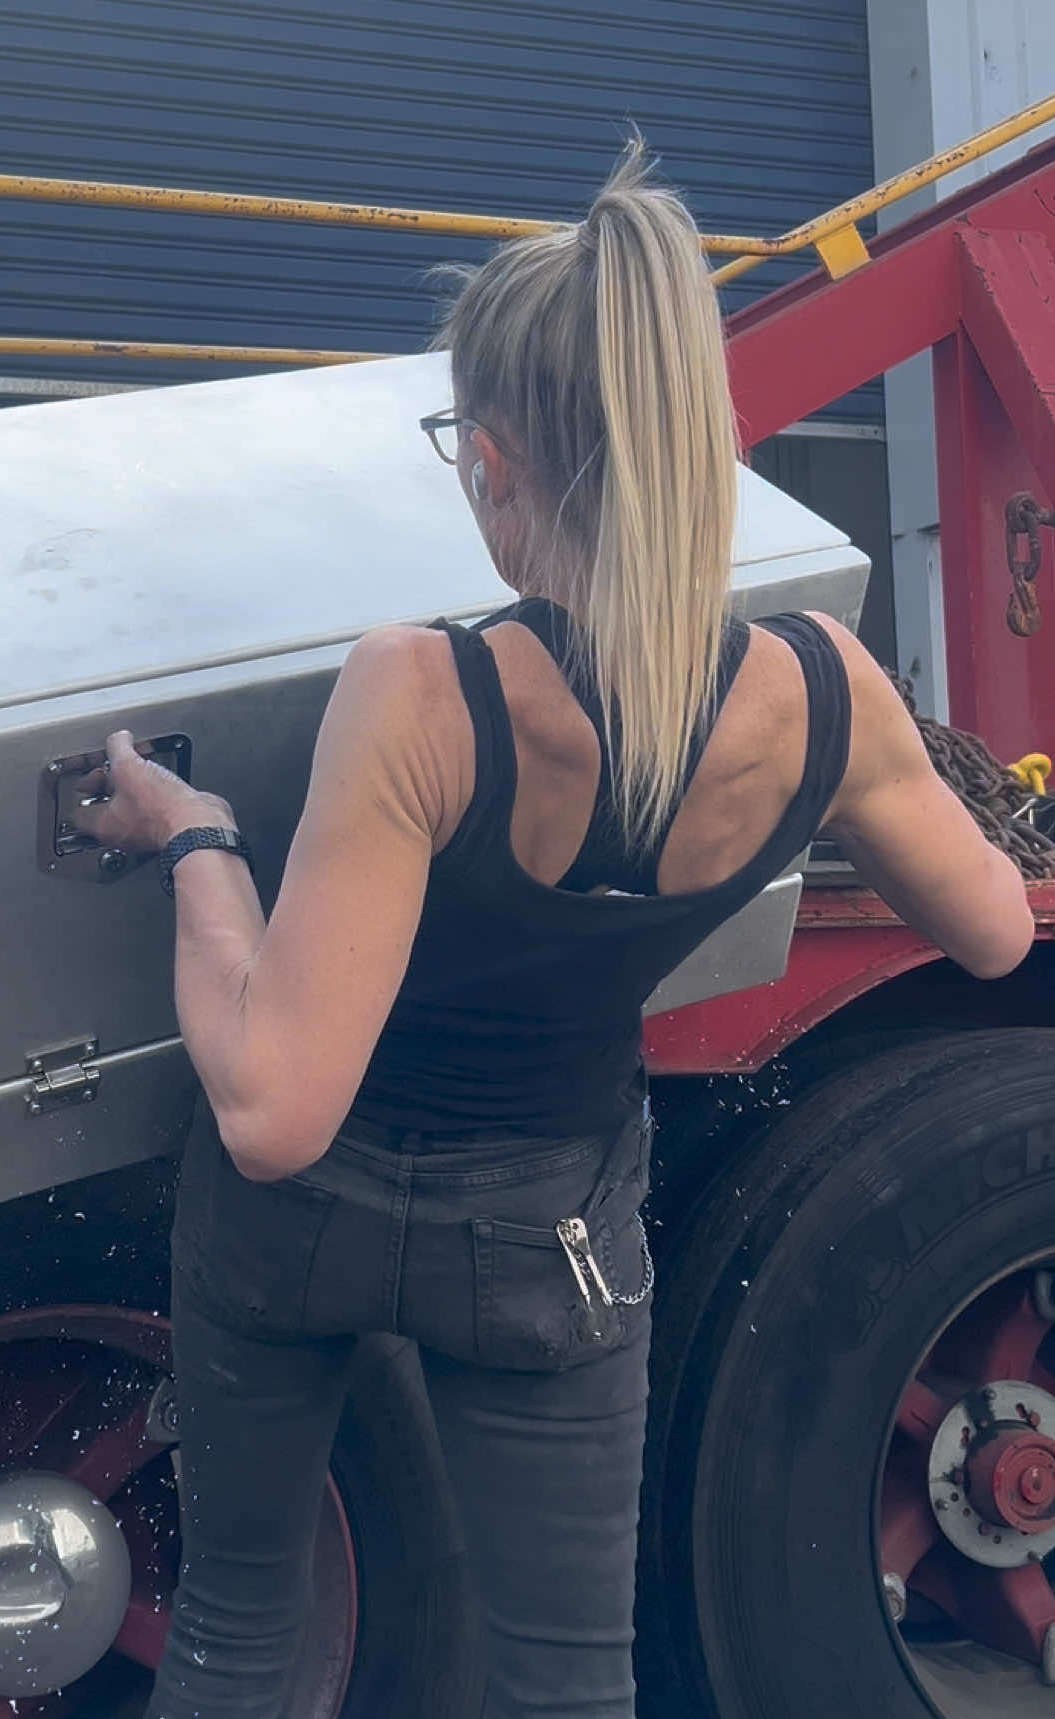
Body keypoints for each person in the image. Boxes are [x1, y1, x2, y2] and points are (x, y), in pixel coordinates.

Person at [74, 141, 1034, 1719]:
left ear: (502, 458)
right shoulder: (824, 691)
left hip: (298, 1226)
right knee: (564, 1682)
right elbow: (995, 935)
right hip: (554, 1246)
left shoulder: (421, 693)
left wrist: (199, 845)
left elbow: (271, 1106)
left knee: (242, 1641)